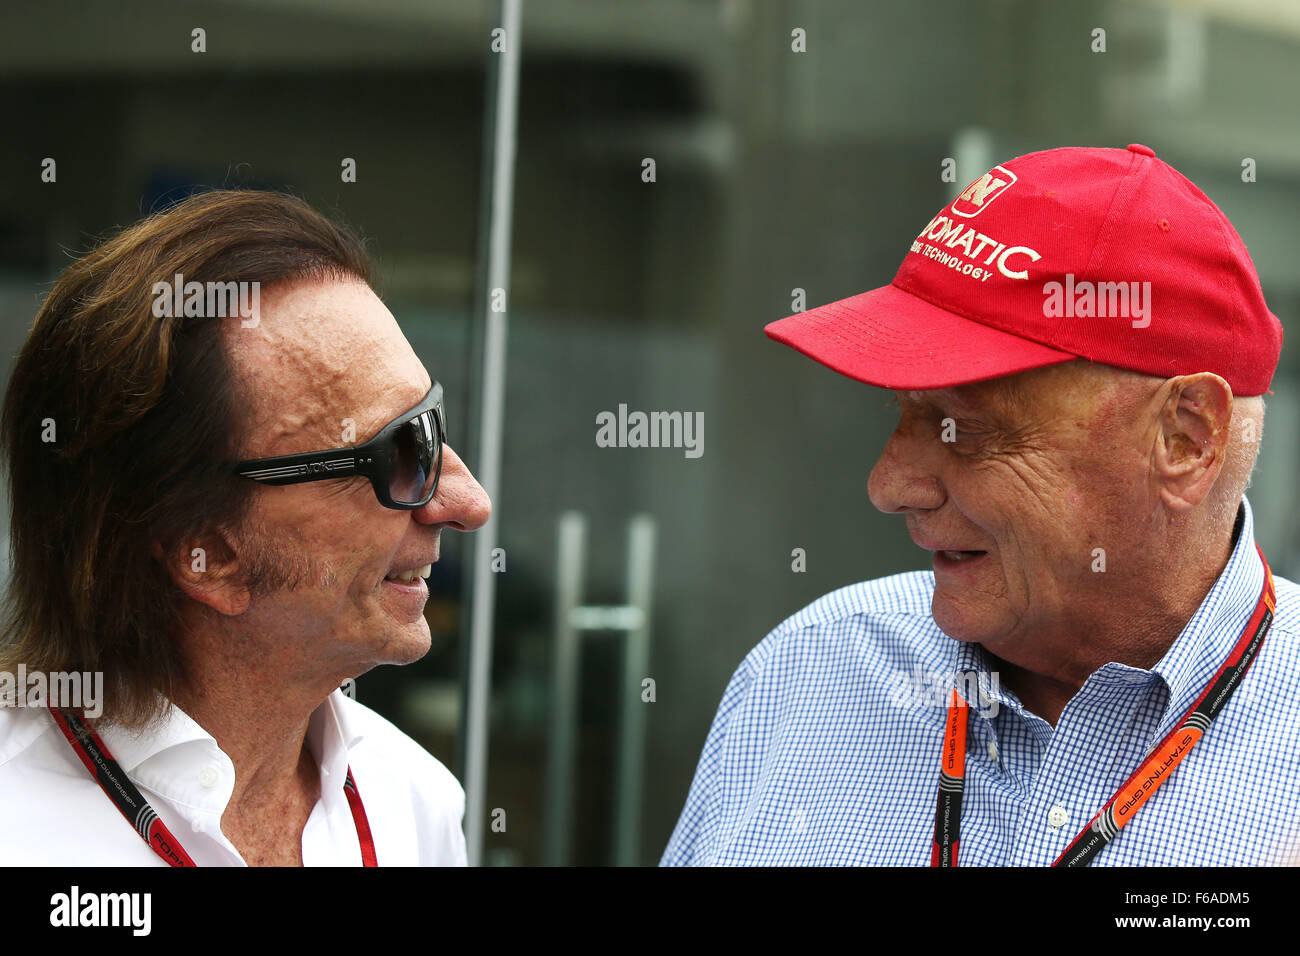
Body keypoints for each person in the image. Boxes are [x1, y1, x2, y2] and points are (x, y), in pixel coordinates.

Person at [663, 144, 1300, 866]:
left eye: (963, 429)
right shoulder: (808, 675)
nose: (888, 486)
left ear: (1187, 438)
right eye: (900, 415)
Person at [0, 190, 491, 866]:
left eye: (430, 425)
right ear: (208, 555)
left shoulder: (410, 801)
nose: (466, 502)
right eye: (397, 455)